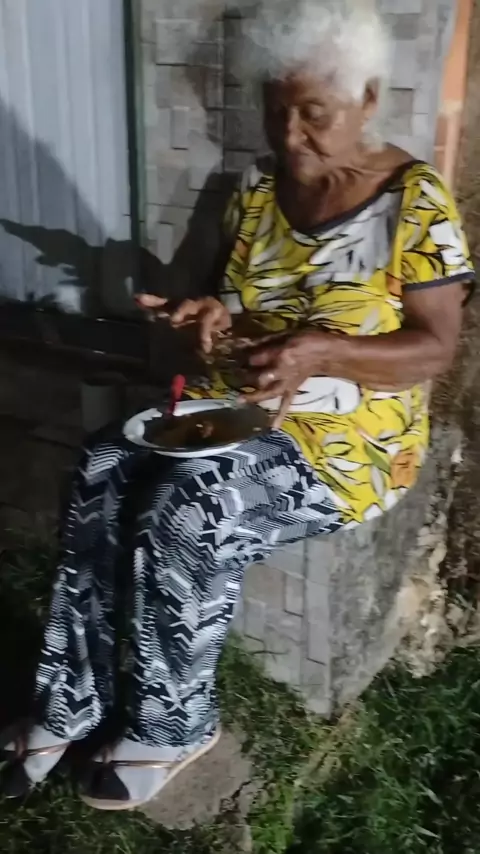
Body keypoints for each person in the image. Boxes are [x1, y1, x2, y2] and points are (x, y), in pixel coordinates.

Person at [0, 0, 474, 810]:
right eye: (276, 109)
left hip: (351, 440)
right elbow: (229, 300)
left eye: (314, 113)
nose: (291, 134)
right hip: (238, 408)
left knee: (192, 506)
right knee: (105, 461)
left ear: (366, 99)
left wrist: (323, 350)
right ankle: (69, 698)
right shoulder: (256, 190)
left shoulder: (415, 201)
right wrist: (205, 314)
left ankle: (174, 724)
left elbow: (436, 348)